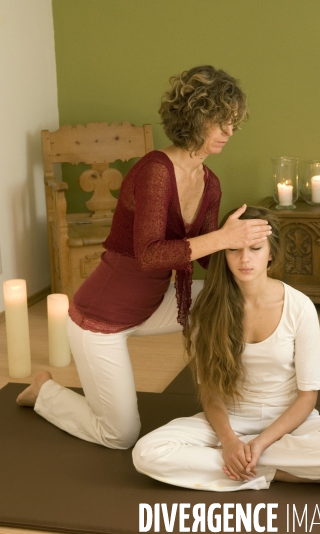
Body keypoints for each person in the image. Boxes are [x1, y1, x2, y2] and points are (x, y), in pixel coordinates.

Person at [16, 66, 271, 449]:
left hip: (152, 306)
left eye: (233, 123)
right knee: (120, 436)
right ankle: (45, 391)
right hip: (101, 319)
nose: (228, 132)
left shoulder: (209, 182)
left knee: (228, 297)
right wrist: (222, 237)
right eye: (220, 122)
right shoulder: (155, 171)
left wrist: (252, 251)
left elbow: (205, 258)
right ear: (194, 117)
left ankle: (222, 396)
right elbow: (151, 255)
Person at [133, 206, 320, 491]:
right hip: (228, 420)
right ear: (224, 252)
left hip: (288, 421)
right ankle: (276, 471)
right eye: (234, 249)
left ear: (271, 253)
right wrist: (230, 442)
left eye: (256, 248)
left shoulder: (299, 307)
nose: (245, 259)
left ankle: (244, 463)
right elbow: (210, 393)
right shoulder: (207, 308)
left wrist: (258, 444)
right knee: (147, 453)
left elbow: (307, 397)